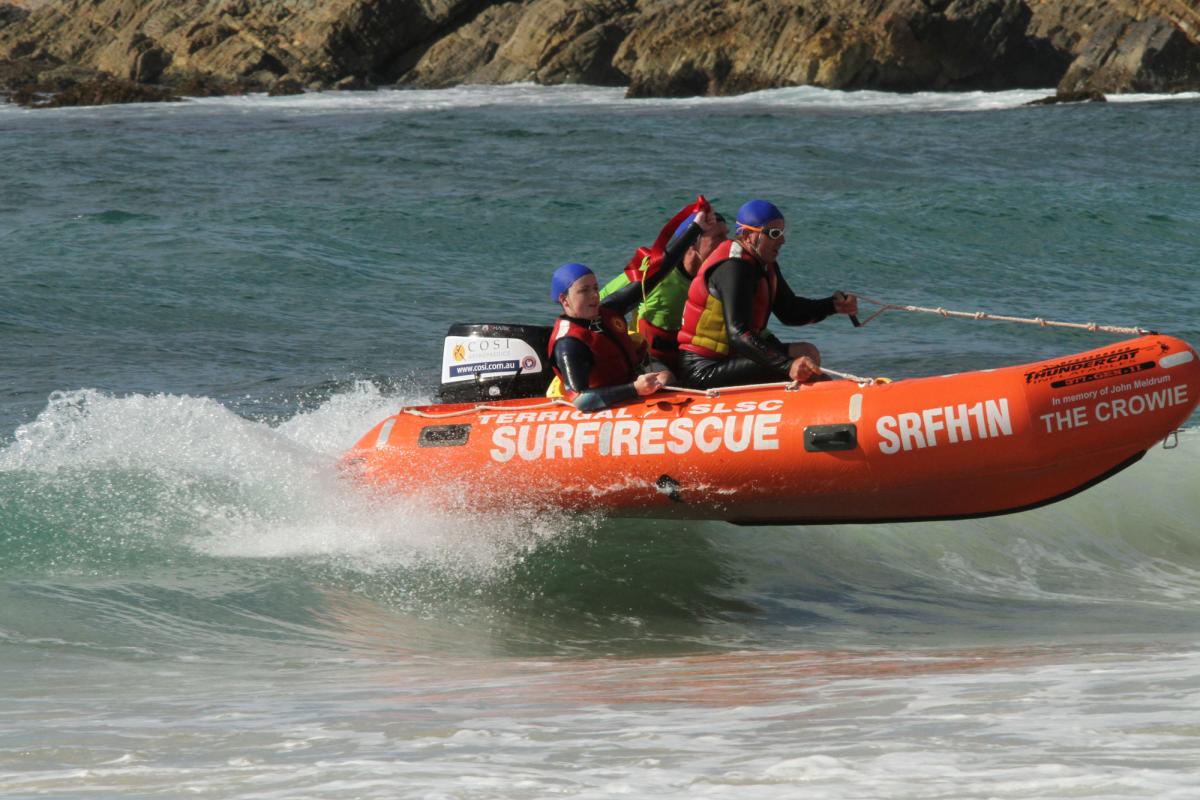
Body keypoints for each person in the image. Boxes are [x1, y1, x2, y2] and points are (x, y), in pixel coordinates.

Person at [677, 199, 858, 389]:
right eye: (774, 233)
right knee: (803, 359)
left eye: (781, 233)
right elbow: (738, 334)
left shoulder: (763, 262)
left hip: (734, 357)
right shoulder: (733, 267)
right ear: (748, 235)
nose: (782, 240)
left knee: (808, 353)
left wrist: (832, 306)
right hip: (703, 369)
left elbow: (790, 311)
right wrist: (788, 365)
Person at [599, 197, 727, 369]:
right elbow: (601, 304)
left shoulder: (721, 276)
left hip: (690, 356)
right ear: (692, 245)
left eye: (727, 235)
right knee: (666, 378)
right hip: (648, 359)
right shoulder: (653, 271)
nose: (727, 243)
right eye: (719, 236)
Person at [548, 262, 674, 412]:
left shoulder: (608, 310)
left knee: (667, 377)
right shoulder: (568, 343)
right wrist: (635, 389)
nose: (594, 295)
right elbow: (580, 400)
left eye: (595, 288)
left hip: (631, 381)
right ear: (564, 299)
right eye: (584, 291)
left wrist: (687, 238)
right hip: (602, 400)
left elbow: (650, 280)